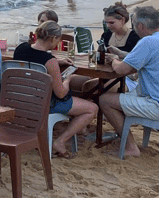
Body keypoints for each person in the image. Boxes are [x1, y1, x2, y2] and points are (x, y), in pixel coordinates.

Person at [99, 6, 159, 157]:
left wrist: (115, 60)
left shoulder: (148, 42)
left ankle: (130, 147)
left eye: (134, 25)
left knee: (105, 100)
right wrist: (121, 53)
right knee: (138, 95)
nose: (134, 28)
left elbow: (121, 70)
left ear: (140, 26)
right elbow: (143, 61)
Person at [13, 21, 98, 158]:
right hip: (44, 104)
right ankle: (60, 141)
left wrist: (57, 63)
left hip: (22, 99)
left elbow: (33, 62)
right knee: (92, 108)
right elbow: (60, 93)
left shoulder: (21, 48)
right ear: (54, 39)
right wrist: (68, 80)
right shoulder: (49, 60)